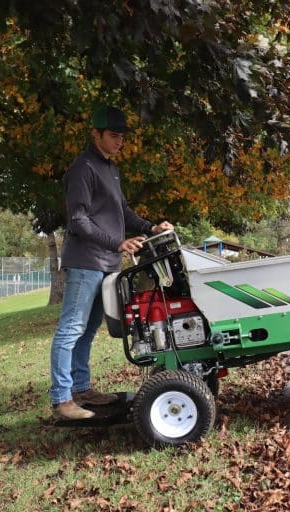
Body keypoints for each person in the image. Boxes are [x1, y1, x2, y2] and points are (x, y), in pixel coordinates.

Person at [50, 105, 173, 420]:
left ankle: (81, 389)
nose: (119, 141)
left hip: (107, 263)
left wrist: (150, 227)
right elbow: (78, 220)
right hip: (85, 261)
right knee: (71, 328)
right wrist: (117, 242)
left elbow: (122, 213)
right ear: (96, 134)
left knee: (89, 329)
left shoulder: (111, 169)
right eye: (114, 135)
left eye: (122, 136)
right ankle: (62, 400)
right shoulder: (83, 168)